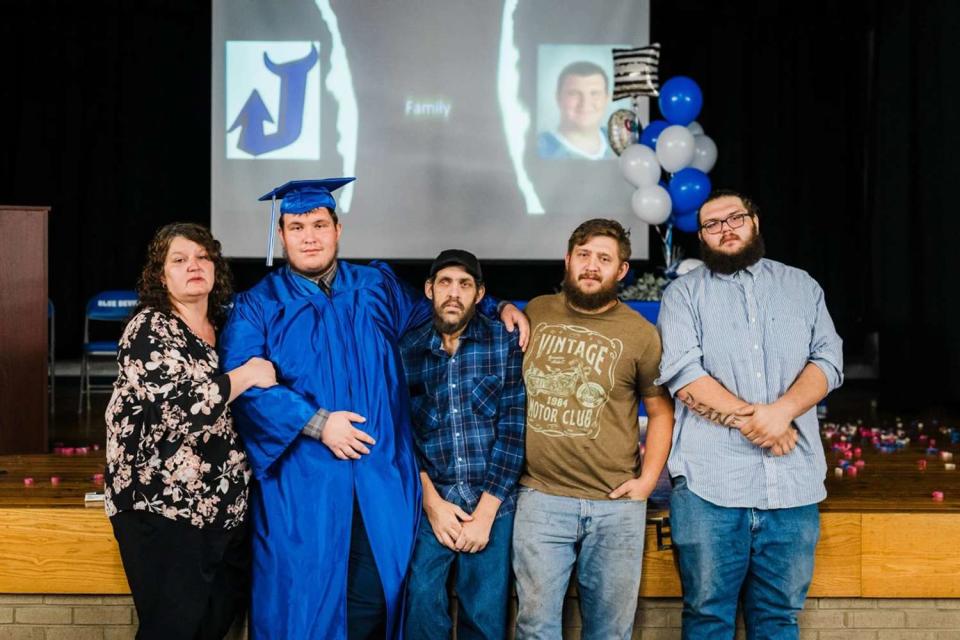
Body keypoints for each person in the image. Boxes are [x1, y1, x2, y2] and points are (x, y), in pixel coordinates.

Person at [217, 178, 529, 640]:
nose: (309, 236)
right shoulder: (257, 306)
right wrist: (318, 423)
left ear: (338, 229)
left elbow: (441, 312)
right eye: (296, 226)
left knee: (376, 595)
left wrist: (501, 307)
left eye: (319, 225)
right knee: (305, 594)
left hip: (381, 476)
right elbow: (245, 387)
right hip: (304, 482)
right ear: (281, 235)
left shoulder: (376, 287)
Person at [655, 190, 844, 639]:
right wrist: (760, 424)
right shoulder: (683, 294)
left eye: (734, 218)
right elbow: (683, 375)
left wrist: (782, 413)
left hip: (793, 490)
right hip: (709, 489)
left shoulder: (802, 286)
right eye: (711, 224)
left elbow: (829, 361)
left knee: (779, 620)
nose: (725, 229)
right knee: (706, 618)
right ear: (701, 236)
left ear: (754, 221)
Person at [104, 222, 277, 640]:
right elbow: (182, 411)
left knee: (211, 626)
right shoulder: (149, 329)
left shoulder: (226, 328)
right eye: (179, 260)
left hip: (222, 510)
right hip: (162, 508)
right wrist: (247, 375)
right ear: (161, 276)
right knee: (172, 630)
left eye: (203, 257)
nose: (193, 265)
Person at [512, 219, 674, 640]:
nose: (591, 266)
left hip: (615, 505)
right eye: (583, 255)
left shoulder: (640, 334)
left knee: (609, 632)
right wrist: (502, 306)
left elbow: (659, 411)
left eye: (604, 259)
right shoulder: (537, 310)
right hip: (541, 498)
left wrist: (647, 482)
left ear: (621, 270)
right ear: (567, 260)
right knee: (535, 629)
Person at [401, 250, 525, 640]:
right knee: (420, 603)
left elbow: (513, 429)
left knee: (485, 617)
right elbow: (403, 435)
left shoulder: (501, 343)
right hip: (431, 503)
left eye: (465, 284)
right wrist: (433, 505)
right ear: (429, 290)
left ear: (479, 293)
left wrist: (487, 512)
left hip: (492, 502)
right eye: (445, 283)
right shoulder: (407, 349)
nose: (454, 293)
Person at [538, 61, 615, 160]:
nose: (585, 103)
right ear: (558, 98)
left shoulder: (621, 144)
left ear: (606, 99)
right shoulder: (540, 149)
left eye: (594, 93)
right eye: (574, 93)